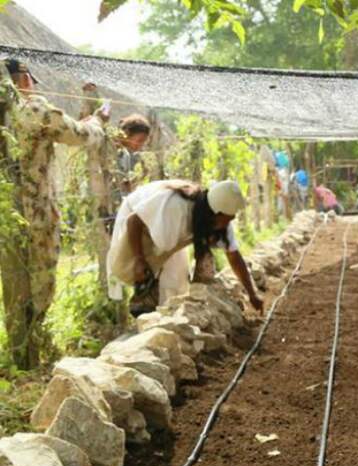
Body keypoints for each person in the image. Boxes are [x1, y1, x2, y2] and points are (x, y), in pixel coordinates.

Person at [0, 58, 105, 367]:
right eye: (31, 81)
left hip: (7, 212)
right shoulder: (32, 108)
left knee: (13, 281)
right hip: (35, 211)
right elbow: (80, 136)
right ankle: (28, 355)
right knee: (40, 281)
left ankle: (20, 355)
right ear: (22, 79)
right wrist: (98, 120)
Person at [106, 179, 263, 317]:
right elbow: (134, 220)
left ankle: (166, 324)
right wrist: (139, 258)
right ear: (216, 213)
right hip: (138, 220)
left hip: (166, 236)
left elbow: (234, 257)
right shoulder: (176, 207)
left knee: (175, 284)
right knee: (144, 274)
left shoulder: (220, 222)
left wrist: (252, 294)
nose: (229, 222)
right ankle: (147, 322)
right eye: (227, 218)